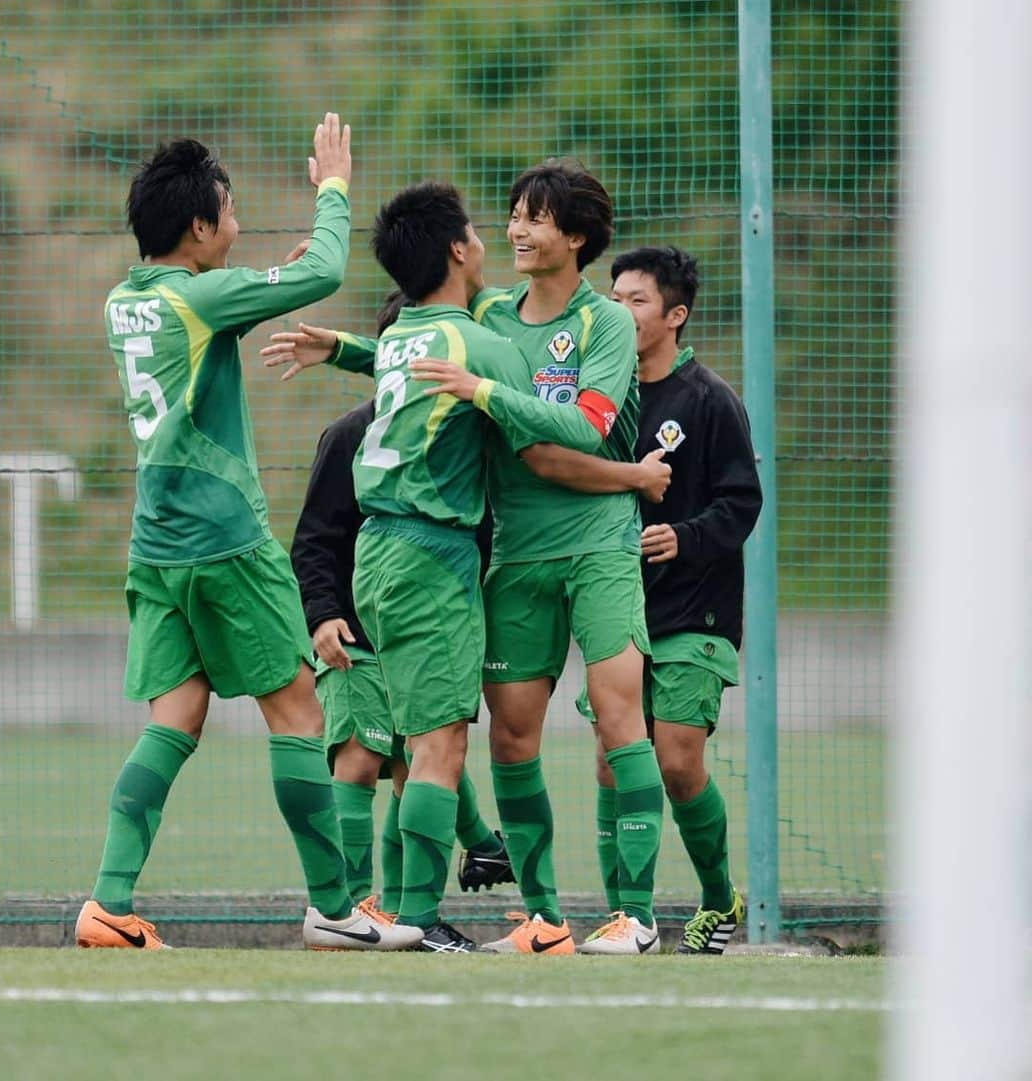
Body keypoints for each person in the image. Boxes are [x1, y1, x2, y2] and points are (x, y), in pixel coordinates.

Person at [271, 161, 670, 956]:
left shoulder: (606, 324)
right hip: (510, 555)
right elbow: (418, 346)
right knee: (505, 740)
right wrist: (352, 348)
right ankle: (547, 919)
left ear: (577, 236)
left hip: (596, 546)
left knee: (618, 720)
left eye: (535, 218)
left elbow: (578, 430)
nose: (515, 230)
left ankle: (638, 914)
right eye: (511, 216)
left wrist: (477, 392)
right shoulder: (489, 315)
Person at [75, 115, 420, 953]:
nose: (235, 223)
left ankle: (108, 904)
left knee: (177, 716)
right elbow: (325, 269)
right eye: (228, 209)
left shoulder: (126, 299)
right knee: (301, 716)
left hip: (155, 549)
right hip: (227, 542)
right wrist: (333, 187)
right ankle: (334, 907)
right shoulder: (200, 294)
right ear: (198, 227)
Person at [523, 246, 763, 954]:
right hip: (622, 607)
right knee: (610, 757)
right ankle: (628, 916)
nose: (618, 310)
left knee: (678, 758)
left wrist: (682, 539)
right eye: (614, 295)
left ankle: (719, 898)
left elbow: (742, 502)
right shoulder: (608, 392)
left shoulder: (711, 400)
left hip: (696, 611)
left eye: (636, 301)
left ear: (675, 316)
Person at [289, 290, 515, 915]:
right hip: (353, 633)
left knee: (422, 756)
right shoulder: (349, 436)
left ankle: (417, 908)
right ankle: (352, 910)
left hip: (428, 617)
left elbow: (482, 528)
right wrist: (321, 614)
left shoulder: (463, 437)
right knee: (363, 760)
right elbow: (313, 538)